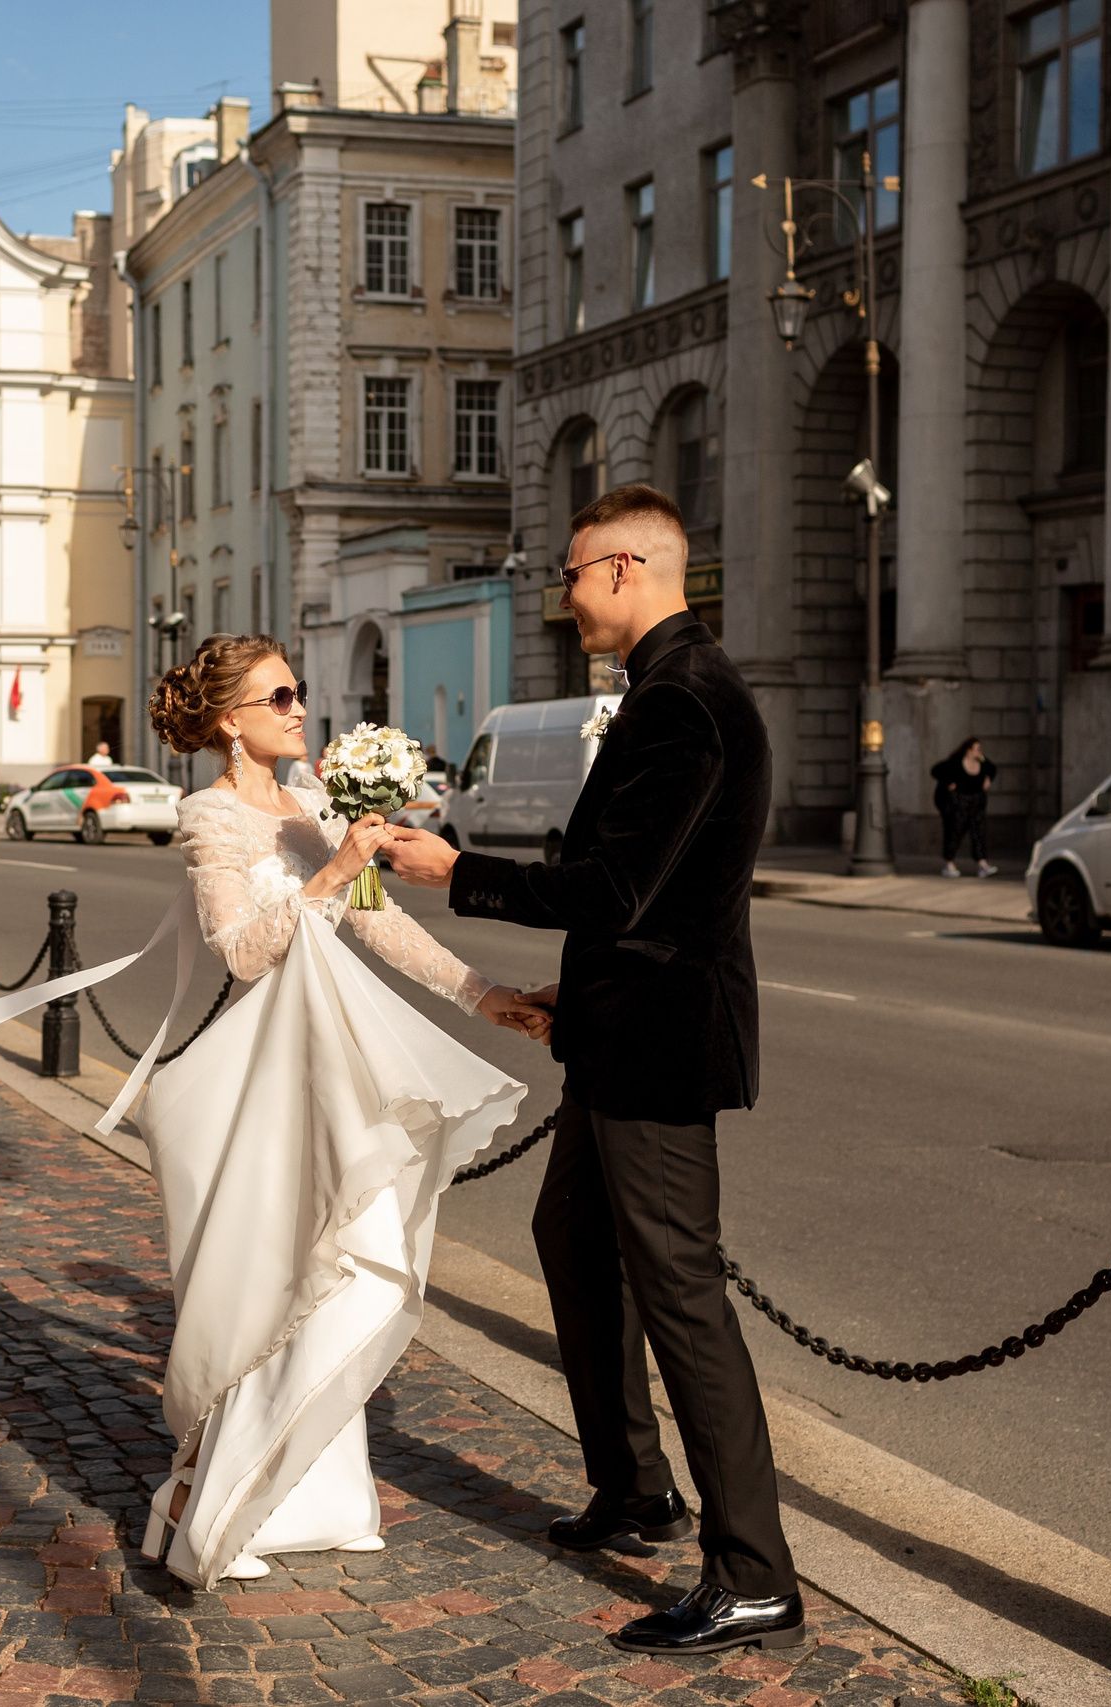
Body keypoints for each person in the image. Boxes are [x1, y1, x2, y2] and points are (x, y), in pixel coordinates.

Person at [0, 634, 548, 1589]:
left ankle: (319, 1497)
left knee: (357, 1268)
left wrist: (485, 995)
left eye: (298, 691)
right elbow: (241, 950)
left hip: (336, 1064)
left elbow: (381, 924)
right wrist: (328, 876)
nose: (298, 707)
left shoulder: (319, 807)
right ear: (228, 723)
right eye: (278, 695)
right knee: (268, 1282)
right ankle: (220, 1501)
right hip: (264, 1074)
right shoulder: (209, 816)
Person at [384, 483, 803, 1659]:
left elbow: (617, 888)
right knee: (573, 1241)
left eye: (567, 575)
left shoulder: (685, 704)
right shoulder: (664, 695)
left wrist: (453, 871)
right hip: (623, 1022)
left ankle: (755, 1573)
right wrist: (585, 984)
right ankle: (634, 1490)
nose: (559, 595)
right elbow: (646, 898)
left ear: (624, 569)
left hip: (660, 1046)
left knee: (680, 1296)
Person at [932, 738, 998, 878]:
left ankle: (982, 864)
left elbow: (992, 770)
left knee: (978, 832)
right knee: (955, 831)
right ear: (969, 751)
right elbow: (936, 770)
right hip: (959, 803)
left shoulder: (983, 763)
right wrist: (949, 783)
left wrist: (988, 780)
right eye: (977, 749)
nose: (980, 752)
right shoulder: (956, 762)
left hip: (977, 802)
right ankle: (949, 863)